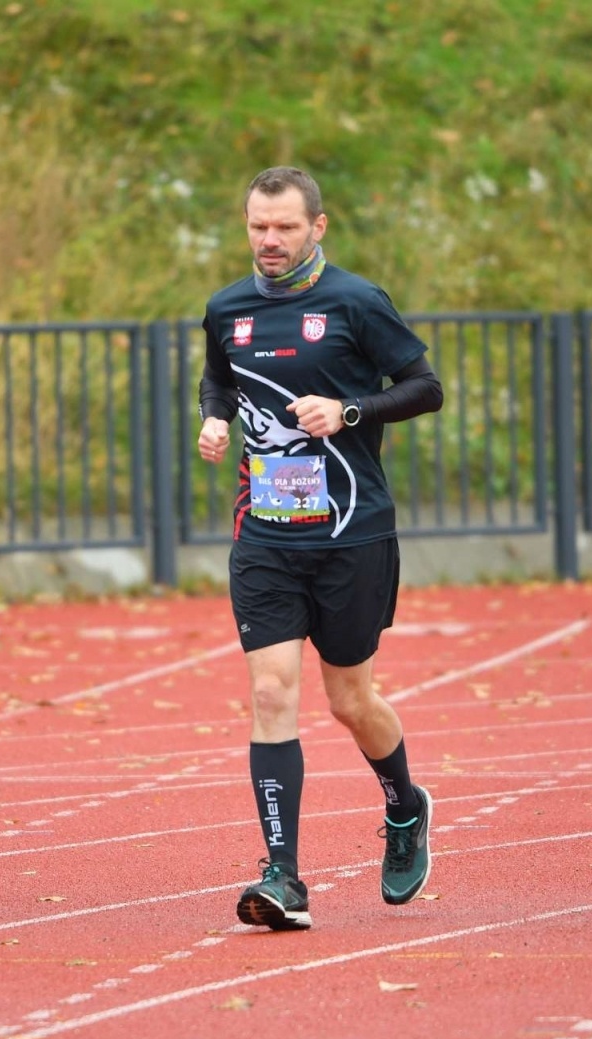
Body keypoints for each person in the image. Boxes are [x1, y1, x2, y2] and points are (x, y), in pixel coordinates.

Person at [197, 166, 445, 931]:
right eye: (257, 227)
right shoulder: (227, 309)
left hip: (350, 534)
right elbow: (220, 382)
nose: (269, 241)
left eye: (285, 228)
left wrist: (350, 409)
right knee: (272, 692)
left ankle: (405, 804)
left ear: (318, 228)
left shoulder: (357, 302)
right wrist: (212, 419)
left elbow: (425, 386)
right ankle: (283, 875)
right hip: (265, 537)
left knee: (350, 700)